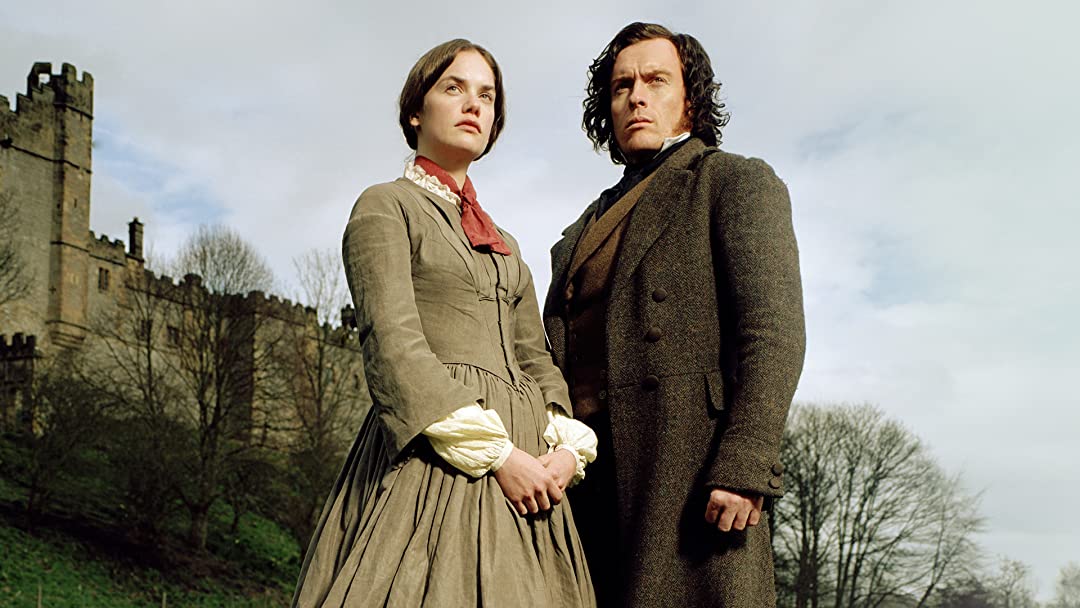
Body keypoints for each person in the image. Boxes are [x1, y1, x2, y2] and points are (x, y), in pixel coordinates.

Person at [292, 39, 597, 608]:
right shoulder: (386, 206)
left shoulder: (506, 244)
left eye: (487, 96)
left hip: (533, 468)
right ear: (416, 110)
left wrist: (563, 449)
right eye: (454, 88)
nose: (473, 104)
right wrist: (497, 456)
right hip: (439, 454)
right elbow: (394, 347)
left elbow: (535, 358)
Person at [542, 22, 807, 607]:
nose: (636, 97)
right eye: (621, 86)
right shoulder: (581, 229)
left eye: (656, 81)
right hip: (585, 479)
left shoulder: (730, 180)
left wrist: (745, 463)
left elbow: (773, 332)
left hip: (686, 470)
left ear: (690, 100)